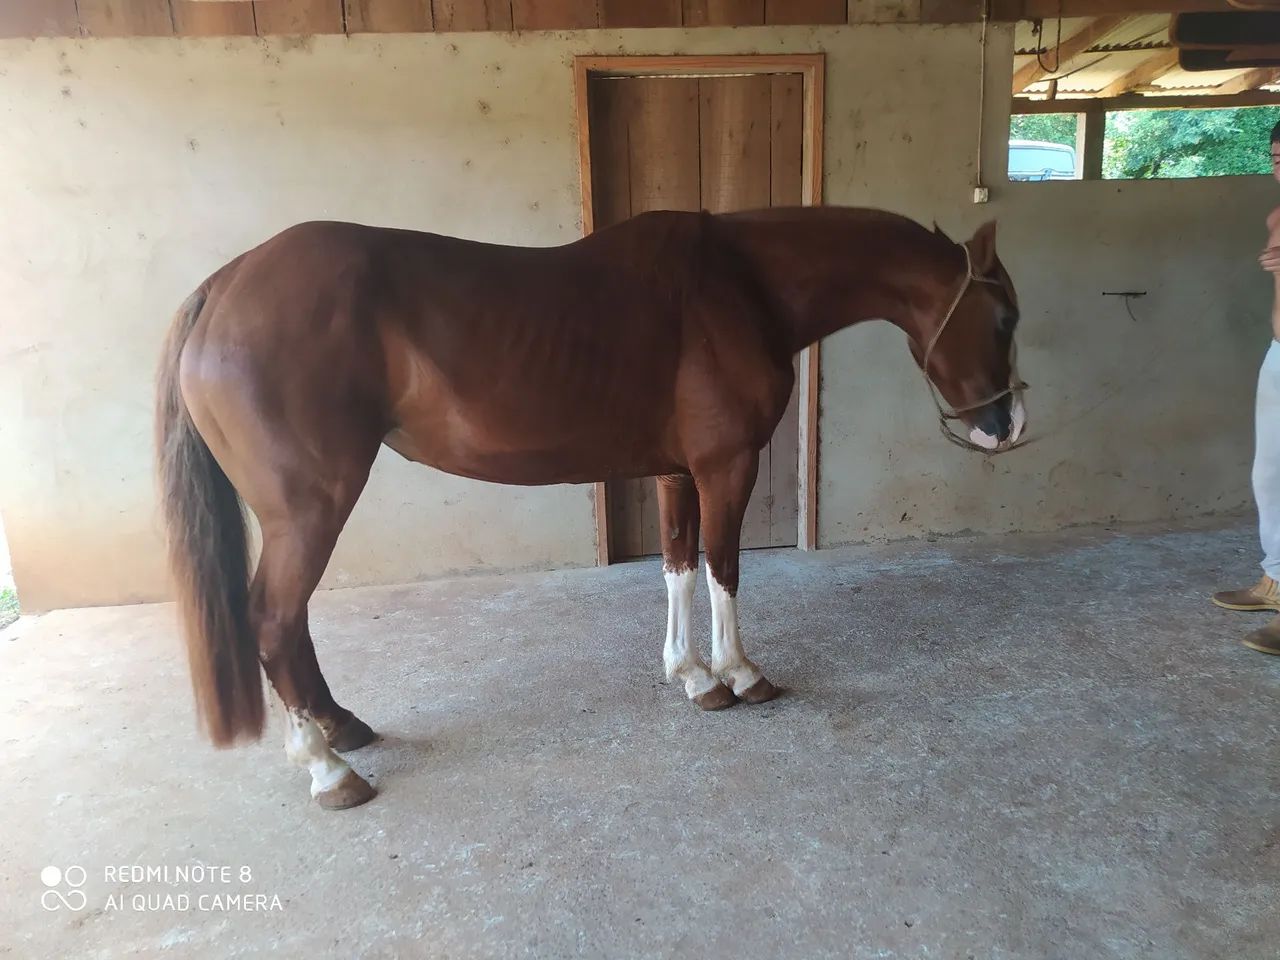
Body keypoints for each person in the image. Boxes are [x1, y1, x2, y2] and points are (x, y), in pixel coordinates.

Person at [1212, 119, 1280, 655]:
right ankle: (1275, 579)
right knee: (1268, 474)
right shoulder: (1277, 213)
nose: (1278, 162)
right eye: (1276, 153)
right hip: (1279, 352)